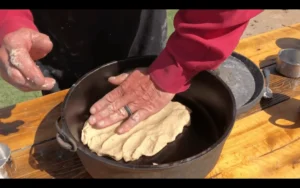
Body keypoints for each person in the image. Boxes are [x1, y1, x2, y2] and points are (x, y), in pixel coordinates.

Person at [0, 9, 262, 134]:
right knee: (69, 115)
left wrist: (177, 66)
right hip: (52, 25)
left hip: (134, 18)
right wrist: (9, 20)